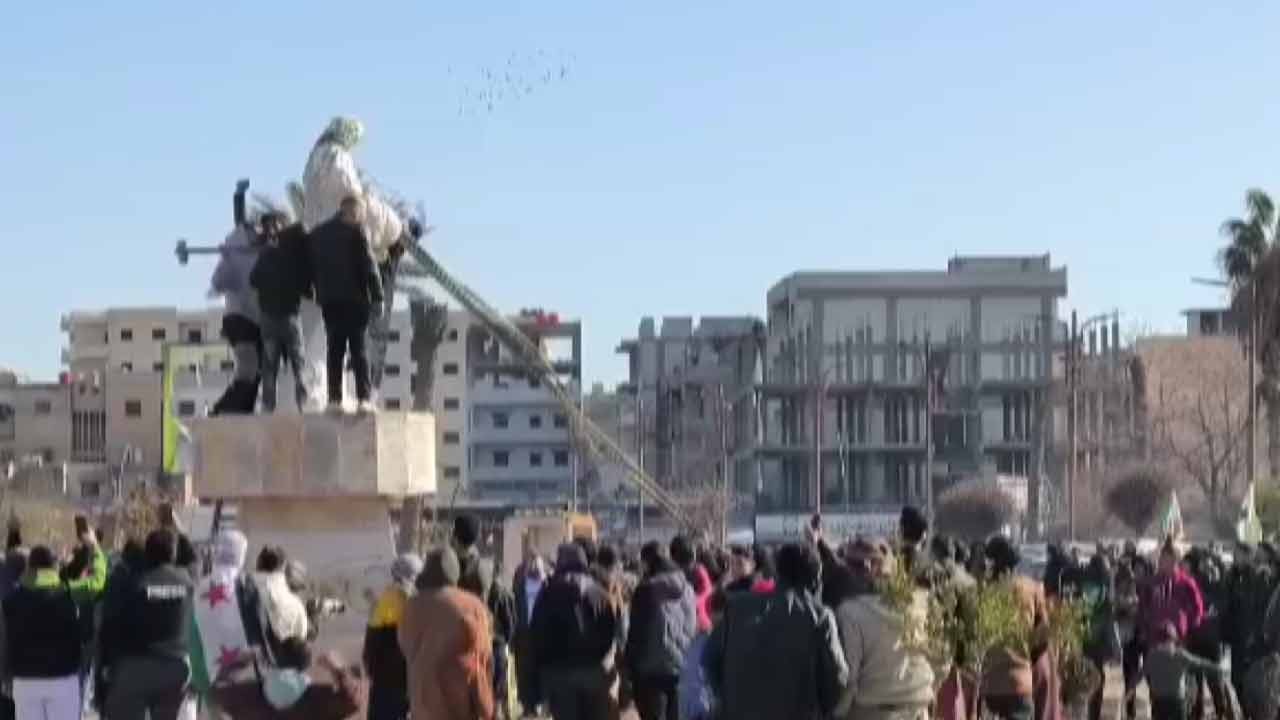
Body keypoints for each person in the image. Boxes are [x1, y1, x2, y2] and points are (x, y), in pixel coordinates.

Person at [703, 542, 848, 720]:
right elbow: (838, 677)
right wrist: (820, 709)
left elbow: (709, 659)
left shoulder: (738, 605)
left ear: (777, 571)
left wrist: (727, 697)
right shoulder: (819, 616)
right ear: (816, 576)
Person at [101, 529, 195, 720]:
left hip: (135, 666)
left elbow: (111, 623)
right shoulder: (188, 582)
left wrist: (105, 662)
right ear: (174, 553)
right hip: (176, 667)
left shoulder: (132, 581)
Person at [834, 539, 934, 720]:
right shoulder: (920, 603)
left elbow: (849, 676)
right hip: (917, 709)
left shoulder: (850, 613)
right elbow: (940, 658)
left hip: (872, 711)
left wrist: (838, 713)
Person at [308, 194, 384, 414]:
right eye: (360, 213)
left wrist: (314, 290)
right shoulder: (357, 232)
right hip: (355, 300)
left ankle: (334, 401)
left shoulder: (318, 234)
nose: (361, 218)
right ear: (352, 211)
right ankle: (364, 400)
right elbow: (370, 266)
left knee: (335, 350)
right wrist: (378, 296)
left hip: (330, 302)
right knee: (359, 350)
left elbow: (309, 263)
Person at [399, 548, 494, 720]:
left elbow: (404, 645)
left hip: (422, 698)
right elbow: (483, 653)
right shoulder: (471, 604)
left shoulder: (411, 605)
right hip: (459, 699)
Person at [530, 544, 620, 720]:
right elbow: (612, 631)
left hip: (559, 674)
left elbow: (537, 633)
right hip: (595, 671)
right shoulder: (599, 592)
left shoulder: (548, 592)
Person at [4, 546, 85, 720]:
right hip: (63, 679)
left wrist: (4, 675)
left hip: (25, 680)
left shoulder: (11, 600)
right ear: (53, 566)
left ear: (29, 567)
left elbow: (4, 640)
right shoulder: (68, 595)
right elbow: (97, 583)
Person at [210, 179, 266, 415]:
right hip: (240, 319)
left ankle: (242, 410)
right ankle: (222, 409)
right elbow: (240, 221)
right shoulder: (241, 241)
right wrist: (239, 196)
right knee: (248, 368)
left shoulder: (258, 247)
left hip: (252, 320)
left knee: (257, 370)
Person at [210, 638, 366, 720]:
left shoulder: (249, 697)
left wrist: (244, 660)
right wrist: (338, 669)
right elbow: (353, 700)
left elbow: (217, 689)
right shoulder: (318, 700)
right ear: (306, 664)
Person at [250, 211, 313, 413]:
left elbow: (253, 280)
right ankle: (302, 400)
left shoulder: (265, 254)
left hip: (269, 318)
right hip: (289, 316)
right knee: (298, 361)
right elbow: (305, 286)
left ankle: (268, 405)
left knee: (270, 366)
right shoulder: (292, 254)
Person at [980, 537, 1049, 720]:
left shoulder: (982, 591)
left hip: (988, 684)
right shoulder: (1032, 588)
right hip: (1020, 680)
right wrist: (1029, 659)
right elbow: (1043, 635)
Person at [626, 542, 697, 720]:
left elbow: (637, 632)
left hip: (649, 669)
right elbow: (691, 624)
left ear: (648, 563)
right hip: (681, 664)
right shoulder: (688, 589)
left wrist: (630, 665)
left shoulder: (645, 590)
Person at [363, 554, 420, 720]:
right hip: (408, 681)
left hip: (384, 682)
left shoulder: (386, 597)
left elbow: (371, 645)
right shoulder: (417, 601)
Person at [1144, 622, 1227, 720]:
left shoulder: (1152, 656)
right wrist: (1219, 668)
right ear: (1173, 639)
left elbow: (1140, 674)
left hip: (1159, 702)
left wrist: (1129, 692)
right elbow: (1200, 664)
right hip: (1177, 701)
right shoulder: (1180, 655)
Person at [513, 548, 547, 717]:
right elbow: (514, 612)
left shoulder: (549, 586)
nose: (533, 565)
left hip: (542, 635)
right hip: (524, 635)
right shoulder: (519, 586)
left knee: (541, 670)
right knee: (524, 672)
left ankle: (540, 704)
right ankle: (528, 707)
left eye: (537, 563)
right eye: (530, 562)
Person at [669, 536, 711, 632]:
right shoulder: (698, 568)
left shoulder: (672, 570)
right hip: (695, 618)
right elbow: (707, 590)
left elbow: (706, 590)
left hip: (689, 619)